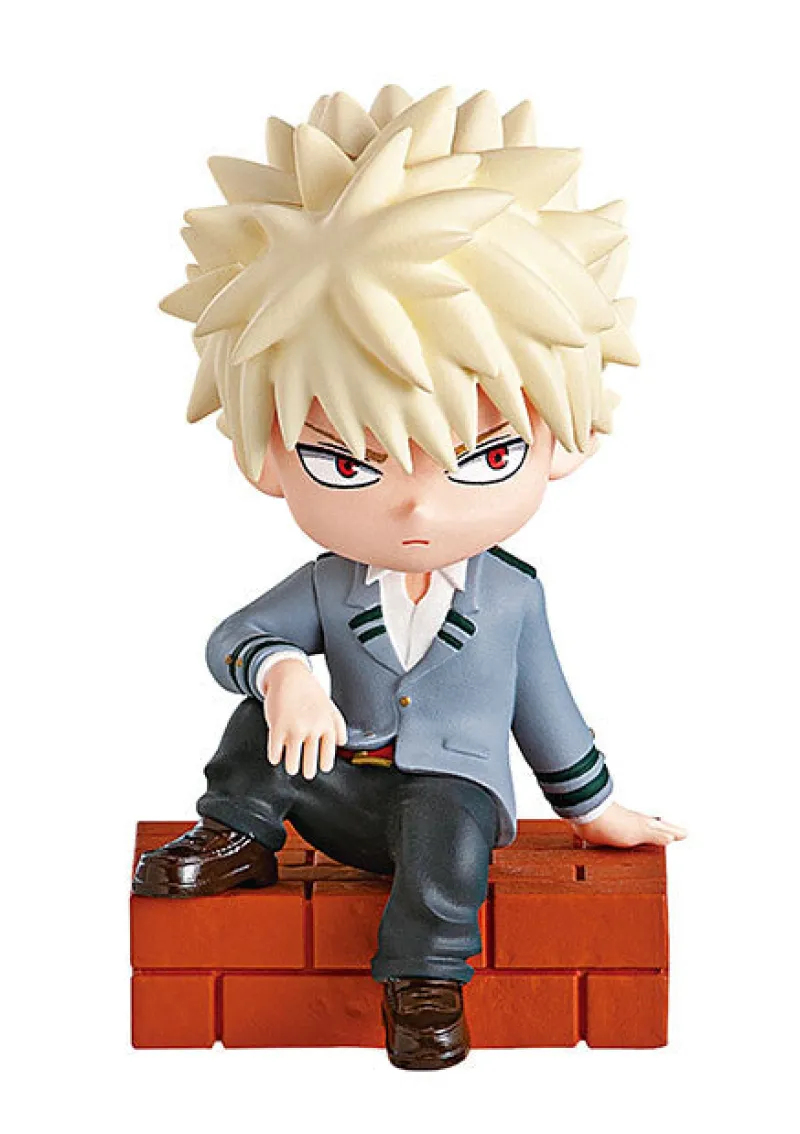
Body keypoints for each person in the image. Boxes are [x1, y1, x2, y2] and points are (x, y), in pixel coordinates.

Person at [133, 85, 686, 1070]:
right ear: (267, 460)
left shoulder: (511, 597)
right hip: (338, 789)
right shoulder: (326, 583)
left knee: (447, 833)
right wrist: (283, 673)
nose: (417, 508)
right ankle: (239, 836)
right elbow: (233, 641)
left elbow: (547, 713)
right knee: (262, 720)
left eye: (483, 457)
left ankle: (424, 981)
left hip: (452, 803)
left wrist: (595, 811)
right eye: (346, 463)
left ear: (566, 442)